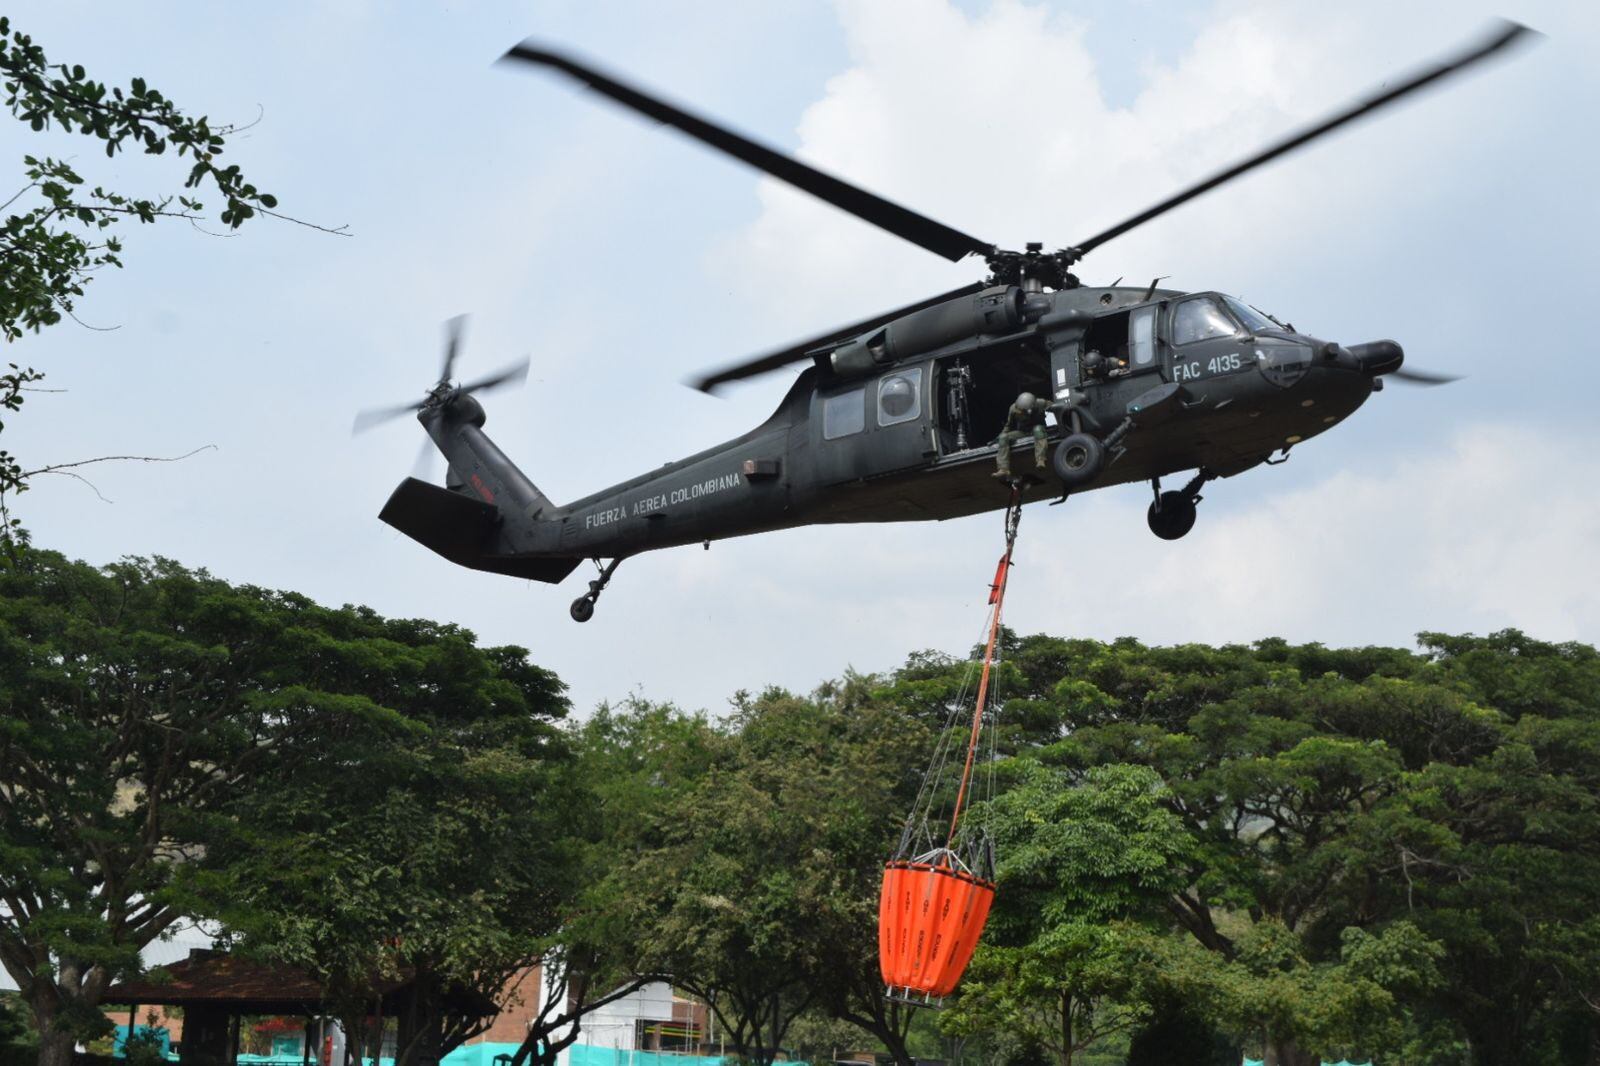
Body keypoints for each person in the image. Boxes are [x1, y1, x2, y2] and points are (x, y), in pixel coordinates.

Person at [994, 391, 1049, 479]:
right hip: (1023, 432)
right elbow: (1009, 425)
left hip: (1037, 430)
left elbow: (1055, 407)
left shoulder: (1041, 403)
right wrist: (1001, 435)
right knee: (1003, 437)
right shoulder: (1013, 408)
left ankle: (1040, 460)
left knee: (1038, 429)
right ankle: (1003, 469)